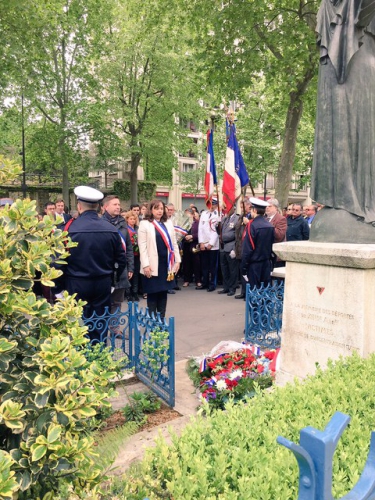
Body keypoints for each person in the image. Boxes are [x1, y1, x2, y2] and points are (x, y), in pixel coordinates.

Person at [311, 0, 375, 239]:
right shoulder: (330, 7)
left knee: (356, 126)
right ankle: (344, 198)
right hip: (345, 66)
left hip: (359, 63)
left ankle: (355, 201)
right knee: (338, 126)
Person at [55, 186, 126, 343]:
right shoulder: (111, 229)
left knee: (77, 329)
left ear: (79, 207)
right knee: (100, 326)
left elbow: (58, 262)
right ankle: (99, 361)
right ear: (99, 207)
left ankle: (80, 363)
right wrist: (112, 281)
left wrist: (58, 289)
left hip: (76, 284)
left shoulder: (68, 229)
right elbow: (121, 260)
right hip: (102, 283)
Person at [138, 199, 181, 319]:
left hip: (165, 264)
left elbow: (174, 243)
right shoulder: (144, 223)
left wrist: (177, 261)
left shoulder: (168, 223)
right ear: (151, 209)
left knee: (163, 293)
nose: (159, 211)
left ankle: (161, 320)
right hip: (152, 264)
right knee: (152, 293)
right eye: (156, 208)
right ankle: (153, 322)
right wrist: (145, 265)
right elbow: (142, 246)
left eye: (161, 208)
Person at [102, 195, 134, 312]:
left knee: (117, 301)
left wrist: (130, 267)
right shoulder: (100, 223)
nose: (118, 207)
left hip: (121, 268)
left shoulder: (123, 223)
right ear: (106, 207)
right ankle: (104, 327)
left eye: (119, 204)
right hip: (106, 268)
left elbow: (129, 248)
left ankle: (115, 328)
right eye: (115, 204)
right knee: (105, 302)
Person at [241, 198, 275, 291]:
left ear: (254, 210)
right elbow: (272, 246)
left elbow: (248, 248)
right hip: (266, 263)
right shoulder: (269, 225)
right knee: (265, 290)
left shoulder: (252, 225)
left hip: (254, 264)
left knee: (254, 291)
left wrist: (243, 267)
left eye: (251, 209)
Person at [197, 198, 220, 291]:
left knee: (213, 267)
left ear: (216, 205)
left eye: (213, 204)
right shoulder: (204, 214)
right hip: (204, 244)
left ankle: (212, 284)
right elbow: (200, 229)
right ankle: (205, 283)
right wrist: (201, 242)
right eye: (210, 204)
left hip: (213, 245)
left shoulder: (219, 215)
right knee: (204, 266)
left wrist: (211, 243)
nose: (211, 206)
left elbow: (216, 231)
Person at [217, 205, 240, 296]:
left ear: (233, 208)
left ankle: (232, 288)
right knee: (224, 269)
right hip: (222, 246)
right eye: (225, 208)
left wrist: (235, 249)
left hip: (231, 245)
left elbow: (238, 235)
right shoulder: (224, 219)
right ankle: (226, 287)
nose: (225, 210)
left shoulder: (237, 219)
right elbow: (219, 232)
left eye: (227, 208)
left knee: (232, 269)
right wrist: (217, 225)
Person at [124, 210, 140, 302]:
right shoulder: (125, 229)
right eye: (131, 219)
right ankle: (128, 293)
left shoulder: (137, 228)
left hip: (137, 254)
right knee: (129, 274)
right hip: (129, 254)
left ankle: (135, 292)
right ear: (127, 219)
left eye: (134, 219)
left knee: (136, 274)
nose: (133, 221)